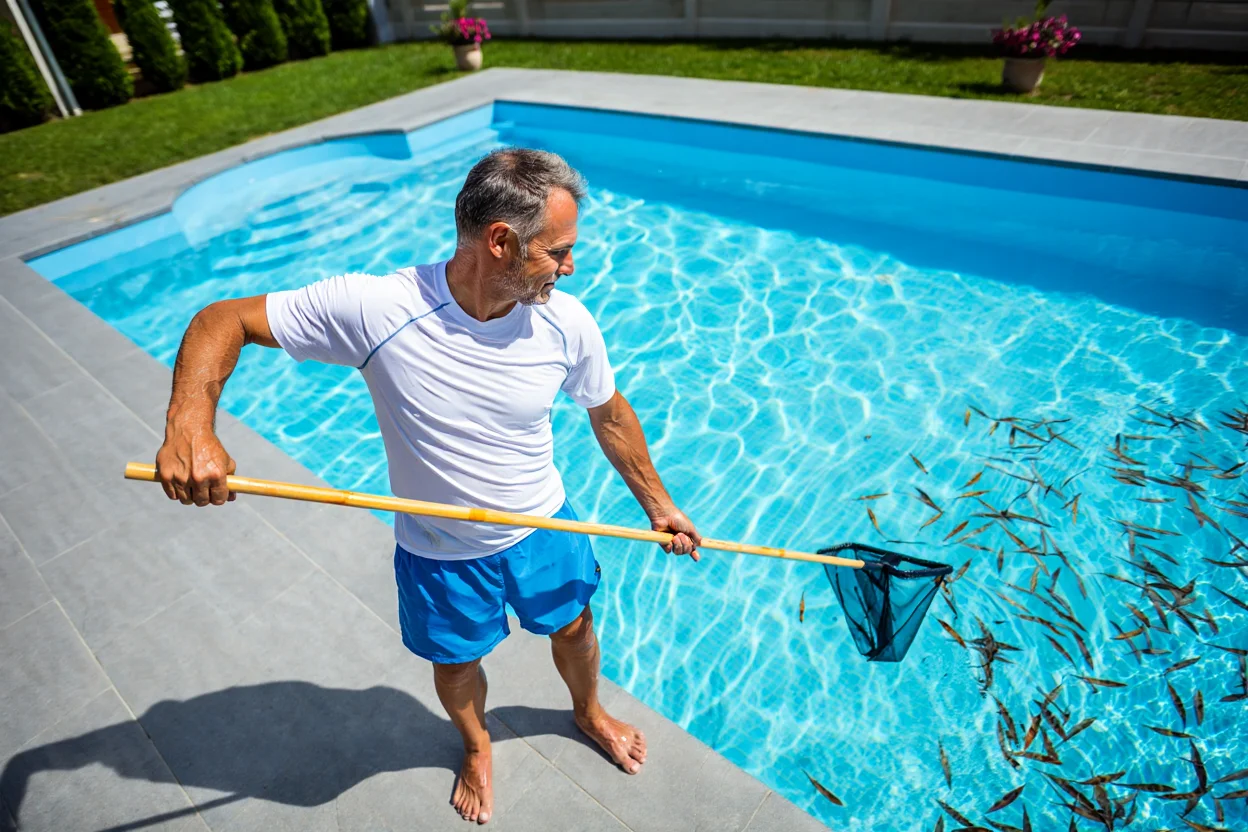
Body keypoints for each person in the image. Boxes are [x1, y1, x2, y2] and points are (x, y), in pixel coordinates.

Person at [154, 148, 702, 825]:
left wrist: (660, 506)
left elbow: (608, 412)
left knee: (575, 626)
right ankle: (476, 746)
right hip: (439, 551)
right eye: (558, 251)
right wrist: (190, 425)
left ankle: (588, 713)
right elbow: (222, 319)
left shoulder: (568, 321)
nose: (572, 267)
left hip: (545, 527)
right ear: (501, 241)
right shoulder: (380, 307)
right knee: (455, 665)